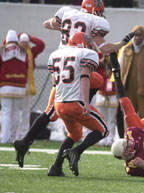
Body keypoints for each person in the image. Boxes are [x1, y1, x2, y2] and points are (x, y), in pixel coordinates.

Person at [13, 0, 135, 167]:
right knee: (51, 112)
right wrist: (122, 42)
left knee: (97, 81)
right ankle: (25, 142)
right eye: (99, 11)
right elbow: (105, 49)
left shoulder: (68, 14)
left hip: (62, 65)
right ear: (94, 10)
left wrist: (66, 28)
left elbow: (46, 24)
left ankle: (54, 164)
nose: (100, 14)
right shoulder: (93, 23)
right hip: (73, 71)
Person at [47, 32, 109, 177]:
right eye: (87, 42)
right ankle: (76, 152)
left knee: (74, 134)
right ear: (82, 43)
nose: (90, 45)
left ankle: (56, 167)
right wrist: (86, 103)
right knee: (104, 130)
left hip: (59, 103)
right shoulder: (85, 54)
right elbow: (84, 76)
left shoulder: (56, 54)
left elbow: (54, 83)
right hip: (75, 103)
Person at [118, 25, 144, 119]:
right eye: (135, 35)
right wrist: (118, 87)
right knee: (128, 116)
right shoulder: (125, 50)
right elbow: (119, 67)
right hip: (128, 90)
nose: (137, 38)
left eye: (140, 36)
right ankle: (128, 134)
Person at [0, 30, 28, 144]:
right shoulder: (24, 52)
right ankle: (13, 137)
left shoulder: (2, 51)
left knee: (6, 111)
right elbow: (27, 67)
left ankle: (4, 138)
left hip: (5, 84)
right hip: (20, 85)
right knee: (16, 112)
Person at [15, 33, 45, 141]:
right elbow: (6, 42)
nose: (24, 43)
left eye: (26, 42)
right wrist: (18, 36)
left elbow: (41, 45)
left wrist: (30, 37)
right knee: (16, 110)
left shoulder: (31, 52)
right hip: (17, 82)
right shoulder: (13, 52)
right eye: (22, 41)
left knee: (26, 110)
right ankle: (15, 133)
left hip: (28, 82)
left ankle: (23, 134)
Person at [95, 54, 118, 146]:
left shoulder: (115, 68)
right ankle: (103, 138)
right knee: (102, 119)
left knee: (111, 120)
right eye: (104, 55)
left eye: (108, 56)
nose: (106, 58)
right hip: (101, 95)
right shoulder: (100, 68)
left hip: (112, 96)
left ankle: (110, 139)